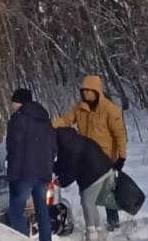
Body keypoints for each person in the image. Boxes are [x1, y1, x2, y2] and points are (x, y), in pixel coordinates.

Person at [54, 74, 127, 231]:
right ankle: (93, 223)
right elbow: (65, 120)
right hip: (85, 155)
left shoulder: (110, 110)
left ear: (97, 91)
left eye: (89, 91)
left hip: (107, 156)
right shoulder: (80, 108)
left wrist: (121, 157)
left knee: (108, 192)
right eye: (84, 91)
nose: (86, 94)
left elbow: (120, 135)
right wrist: (48, 125)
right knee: (86, 191)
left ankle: (113, 223)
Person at [6, 87, 56, 241]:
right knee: (42, 211)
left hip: (24, 174)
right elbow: (54, 148)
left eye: (13, 101)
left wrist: (13, 176)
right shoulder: (45, 120)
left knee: (16, 212)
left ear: (18, 102)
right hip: (43, 173)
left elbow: (14, 149)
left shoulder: (18, 120)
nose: (12, 104)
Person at [54, 127, 114, 241]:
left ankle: (91, 233)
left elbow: (71, 171)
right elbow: (62, 162)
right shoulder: (70, 142)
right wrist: (53, 168)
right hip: (101, 169)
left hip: (97, 172)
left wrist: (60, 182)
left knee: (87, 201)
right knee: (89, 202)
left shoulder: (73, 148)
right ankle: (100, 229)